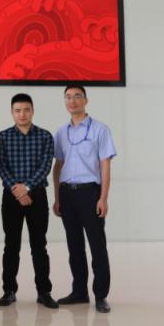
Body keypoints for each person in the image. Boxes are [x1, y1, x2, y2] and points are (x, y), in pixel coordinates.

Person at [52, 85, 116, 313]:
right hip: (67, 194)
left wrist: (103, 198)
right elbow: (58, 166)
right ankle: (79, 291)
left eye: (77, 96)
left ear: (85, 100)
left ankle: (101, 295)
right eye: (68, 97)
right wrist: (57, 197)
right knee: (74, 245)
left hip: (91, 193)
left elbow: (105, 165)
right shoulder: (61, 132)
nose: (72, 101)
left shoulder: (100, 130)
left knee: (97, 245)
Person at [0, 93, 57, 309]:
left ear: (32, 111)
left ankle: (44, 292)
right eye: (18, 110)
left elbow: (45, 166)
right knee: (11, 246)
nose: (22, 114)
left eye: (26, 110)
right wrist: (18, 190)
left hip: (37, 196)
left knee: (39, 245)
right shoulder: (3, 137)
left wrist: (27, 187)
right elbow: (1, 166)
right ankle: (9, 291)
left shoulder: (45, 136)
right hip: (11, 196)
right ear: (12, 112)